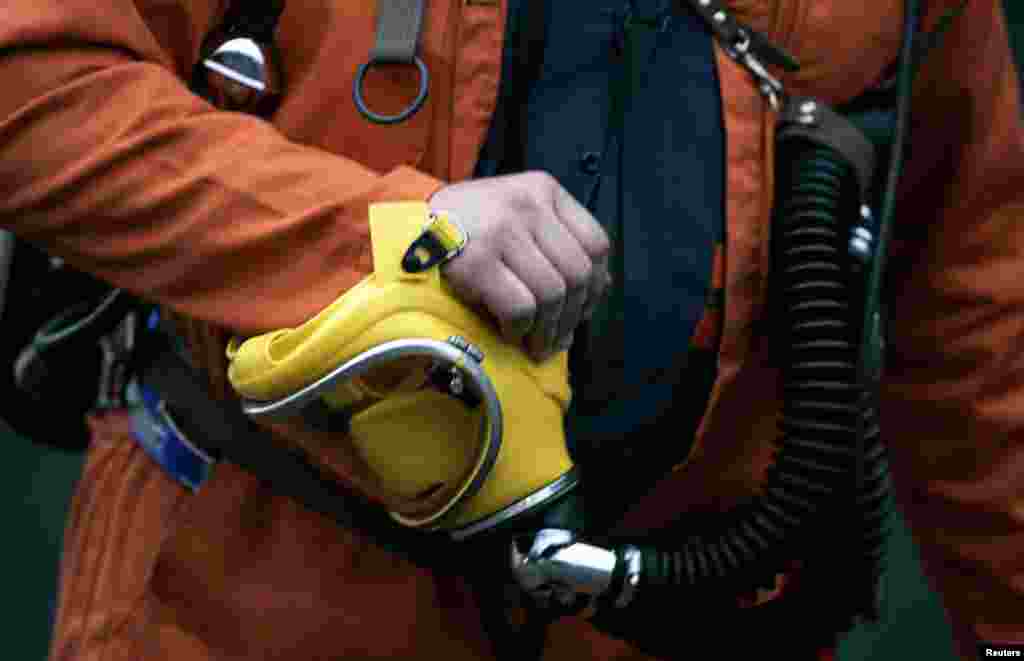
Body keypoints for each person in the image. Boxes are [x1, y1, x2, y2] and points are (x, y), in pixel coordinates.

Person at [0, 0, 1021, 659]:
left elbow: (980, 313)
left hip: (687, 608)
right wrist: (387, 243)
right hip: (247, 592)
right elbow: (34, 83)